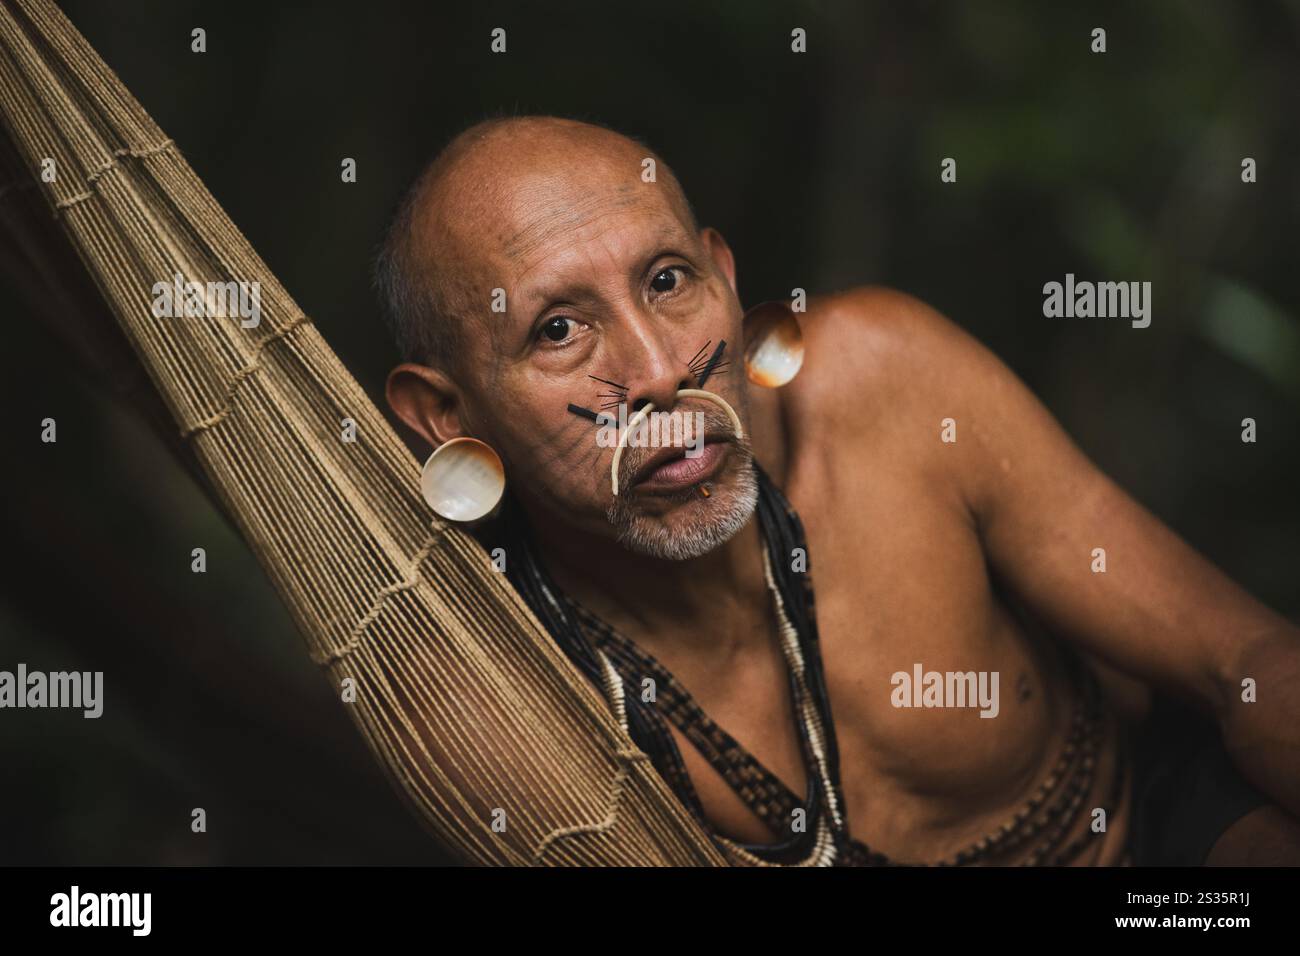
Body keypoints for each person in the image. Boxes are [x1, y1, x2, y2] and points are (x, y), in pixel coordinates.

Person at [376, 114, 1300, 865]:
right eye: (558, 330)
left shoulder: (882, 385)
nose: (659, 370)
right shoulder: (497, 697)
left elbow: (1246, 665)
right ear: (444, 416)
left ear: (726, 279)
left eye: (667, 280)